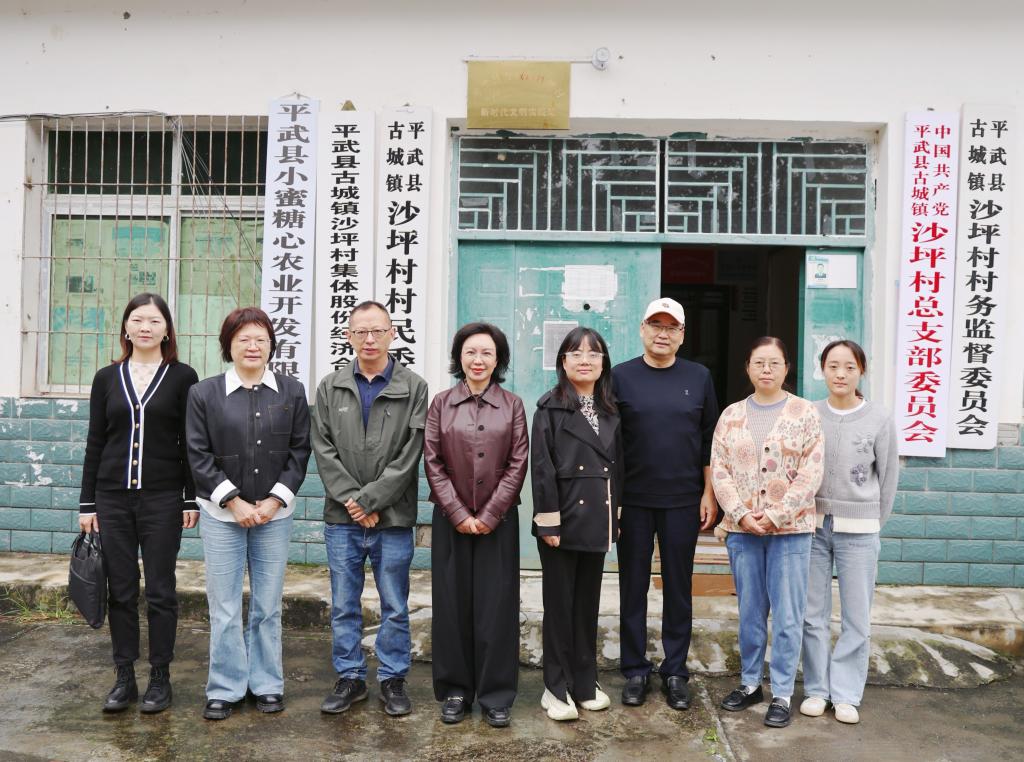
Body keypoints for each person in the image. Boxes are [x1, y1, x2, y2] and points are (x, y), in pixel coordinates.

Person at [186, 307, 311, 721]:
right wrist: (233, 502)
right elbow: (198, 454)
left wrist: (274, 501)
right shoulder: (204, 394)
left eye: (260, 339)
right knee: (223, 606)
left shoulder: (291, 392)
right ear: (229, 346)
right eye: (243, 339)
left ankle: (267, 684)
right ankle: (225, 687)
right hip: (223, 517)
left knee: (267, 605)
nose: (253, 346)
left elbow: (299, 451)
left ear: (272, 345)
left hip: (274, 517)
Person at [79, 293, 199, 714]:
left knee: (161, 589)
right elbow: (96, 441)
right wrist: (87, 503)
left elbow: (189, 442)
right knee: (122, 589)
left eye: (154, 320)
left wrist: (189, 497)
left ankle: (160, 675)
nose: (145, 327)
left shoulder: (183, 377)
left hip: (163, 499)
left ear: (167, 330)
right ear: (126, 328)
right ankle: (124, 675)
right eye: (137, 320)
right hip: (111, 499)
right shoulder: (106, 378)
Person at [312, 301, 429, 718]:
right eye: (360, 331)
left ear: (392, 333)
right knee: (344, 604)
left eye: (377, 330)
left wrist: (370, 502)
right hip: (342, 519)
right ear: (348, 336)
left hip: (392, 519)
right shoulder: (331, 387)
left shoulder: (414, 387)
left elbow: (410, 454)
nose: (369, 339)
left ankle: (393, 678)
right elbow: (323, 449)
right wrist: (355, 502)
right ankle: (351, 677)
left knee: (394, 604)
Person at [612, 297, 719, 710]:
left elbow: (709, 440)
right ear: (642, 329)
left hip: (682, 501)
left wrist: (708, 493)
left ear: (682, 335)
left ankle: (675, 671)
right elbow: (611, 443)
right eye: (655, 325)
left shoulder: (699, 376)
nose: (662, 333)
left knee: (678, 587)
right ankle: (635, 670)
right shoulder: (620, 377)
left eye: (671, 327)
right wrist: (614, 500)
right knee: (632, 587)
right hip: (634, 501)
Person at [711, 336, 823, 728]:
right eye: (759, 362)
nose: (766, 370)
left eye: (774, 363)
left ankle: (782, 692)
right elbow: (719, 469)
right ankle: (749, 683)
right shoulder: (731, 415)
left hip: (790, 531)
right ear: (747, 367)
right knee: (750, 611)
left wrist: (776, 514)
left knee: (788, 615)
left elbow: (812, 471)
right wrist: (740, 514)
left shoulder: (805, 412)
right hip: (742, 531)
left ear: (786, 367)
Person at [424, 323, 528, 728]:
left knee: (496, 608)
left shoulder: (513, 405)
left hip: (498, 524)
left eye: (486, 352)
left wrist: (488, 515)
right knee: (451, 606)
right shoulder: (441, 403)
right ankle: (455, 691)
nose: (478, 360)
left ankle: (496, 695)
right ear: (459, 358)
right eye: (470, 352)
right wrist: (458, 513)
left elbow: (518, 462)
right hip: (450, 521)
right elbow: (432, 461)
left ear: (498, 359)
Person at [800, 340, 898, 725]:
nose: (840, 374)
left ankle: (845, 694)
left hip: (859, 530)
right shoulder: (808, 413)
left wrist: (872, 521)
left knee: (856, 617)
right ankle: (816, 690)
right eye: (833, 366)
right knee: (812, 614)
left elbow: (888, 478)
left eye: (849, 367)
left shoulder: (879, 418)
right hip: (811, 527)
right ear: (822, 369)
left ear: (861, 371)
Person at [531, 327, 623, 722]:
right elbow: (542, 468)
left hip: (597, 519)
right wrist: (549, 522)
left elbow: (619, 468)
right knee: (559, 606)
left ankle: (584, 682)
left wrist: (615, 516)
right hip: (563, 520)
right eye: (576, 353)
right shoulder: (549, 408)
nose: (585, 360)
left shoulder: (611, 409)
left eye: (593, 353)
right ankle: (555, 687)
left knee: (587, 605)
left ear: (603, 363)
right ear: (563, 362)